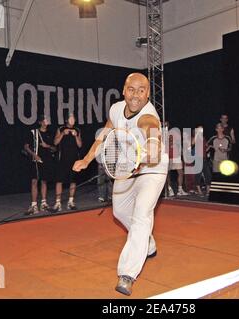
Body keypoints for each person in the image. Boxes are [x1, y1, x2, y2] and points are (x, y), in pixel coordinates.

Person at [73, 73, 168, 296]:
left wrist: (152, 149)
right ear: (124, 90)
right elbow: (104, 135)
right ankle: (148, 243)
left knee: (142, 214)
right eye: (132, 89)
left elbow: (152, 135)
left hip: (151, 171)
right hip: (127, 168)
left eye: (142, 90)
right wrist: (86, 159)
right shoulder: (116, 110)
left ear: (147, 94)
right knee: (119, 211)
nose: (136, 95)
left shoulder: (149, 117)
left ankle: (127, 274)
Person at [24, 114, 57, 215]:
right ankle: (34, 205)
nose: (46, 122)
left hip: (47, 160)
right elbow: (26, 146)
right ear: (40, 122)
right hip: (36, 160)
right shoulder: (33, 133)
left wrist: (47, 146)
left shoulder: (50, 133)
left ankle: (43, 203)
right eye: (44, 120)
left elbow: (54, 148)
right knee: (34, 181)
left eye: (47, 120)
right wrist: (34, 155)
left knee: (44, 181)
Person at [53, 113, 82, 212]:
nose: (73, 119)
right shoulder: (60, 129)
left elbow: (80, 145)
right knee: (59, 181)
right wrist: (62, 134)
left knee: (73, 181)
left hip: (74, 159)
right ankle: (58, 203)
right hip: (62, 159)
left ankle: (71, 202)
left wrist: (76, 136)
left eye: (74, 117)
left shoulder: (77, 130)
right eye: (70, 117)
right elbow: (55, 142)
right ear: (66, 120)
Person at [165, 121, 187, 196]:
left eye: (166, 124)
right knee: (168, 174)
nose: (165, 125)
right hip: (168, 156)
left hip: (175, 155)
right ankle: (170, 189)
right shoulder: (163, 133)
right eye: (164, 124)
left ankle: (179, 190)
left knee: (180, 173)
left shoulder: (171, 132)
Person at [193, 125, 212, 196]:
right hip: (198, 159)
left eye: (202, 129)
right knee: (198, 175)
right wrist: (197, 133)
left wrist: (209, 147)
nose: (201, 130)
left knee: (208, 175)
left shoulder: (203, 138)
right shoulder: (195, 137)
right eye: (199, 129)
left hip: (204, 159)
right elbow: (192, 143)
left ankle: (208, 191)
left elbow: (205, 148)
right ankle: (199, 191)